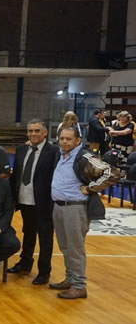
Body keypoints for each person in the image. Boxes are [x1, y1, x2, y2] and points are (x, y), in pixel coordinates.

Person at [50, 126, 117, 299]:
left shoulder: (85, 155)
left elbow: (111, 172)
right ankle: (71, 279)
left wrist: (91, 188)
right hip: (59, 206)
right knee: (65, 247)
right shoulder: (62, 154)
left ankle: (79, 285)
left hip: (75, 208)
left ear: (78, 140)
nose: (64, 141)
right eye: (62, 138)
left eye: (68, 139)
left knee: (75, 248)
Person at [8, 119, 60, 285]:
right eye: (30, 131)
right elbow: (16, 176)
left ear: (44, 132)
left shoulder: (53, 152)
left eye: (37, 131)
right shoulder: (22, 149)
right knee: (28, 233)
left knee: (45, 238)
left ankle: (44, 271)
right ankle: (25, 263)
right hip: (24, 200)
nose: (33, 134)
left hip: (44, 203)